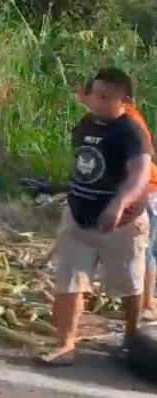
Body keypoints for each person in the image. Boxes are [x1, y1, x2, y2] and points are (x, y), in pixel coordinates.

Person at [38, 68, 152, 366]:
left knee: (128, 286)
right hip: (79, 218)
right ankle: (65, 345)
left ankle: (131, 340)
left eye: (106, 97)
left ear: (123, 100)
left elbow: (139, 176)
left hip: (122, 224)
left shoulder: (131, 132)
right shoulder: (86, 123)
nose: (97, 102)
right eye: (93, 95)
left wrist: (118, 204)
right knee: (70, 280)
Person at [79, 78, 157, 320]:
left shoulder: (128, 123)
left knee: (145, 251)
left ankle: (146, 303)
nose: (88, 100)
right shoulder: (101, 120)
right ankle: (143, 301)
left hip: (147, 190)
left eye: (100, 96)